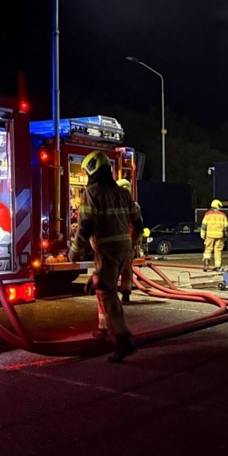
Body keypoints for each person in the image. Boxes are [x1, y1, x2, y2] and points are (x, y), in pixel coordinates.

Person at [69, 151, 144, 362]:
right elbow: (137, 222)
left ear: (91, 170)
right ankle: (107, 327)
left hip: (107, 249)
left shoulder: (91, 193)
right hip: (123, 249)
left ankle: (122, 341)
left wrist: (75, 250)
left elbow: (85, 224)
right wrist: (132, 243)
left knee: (107, 292)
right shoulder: (122, 193)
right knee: (104, 283)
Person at [116, 178, 144, 303]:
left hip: (115, 244)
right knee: (126, 268)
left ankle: (111, 295)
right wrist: (135, 242)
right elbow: (139, 225)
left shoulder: (113, 206)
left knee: (113, 268)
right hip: (128, 243)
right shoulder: (134, 206)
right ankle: (125, 293)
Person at [201, 199, 228, 272]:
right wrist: (226, 235)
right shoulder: (223, 215)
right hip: (219, 236)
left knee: (208, 249)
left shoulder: (207, 214)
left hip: (209, 235)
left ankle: (206, 265)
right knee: (218, 251)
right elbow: (226, 227)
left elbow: (203, 226)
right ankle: (218, 266)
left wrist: (202, 234)